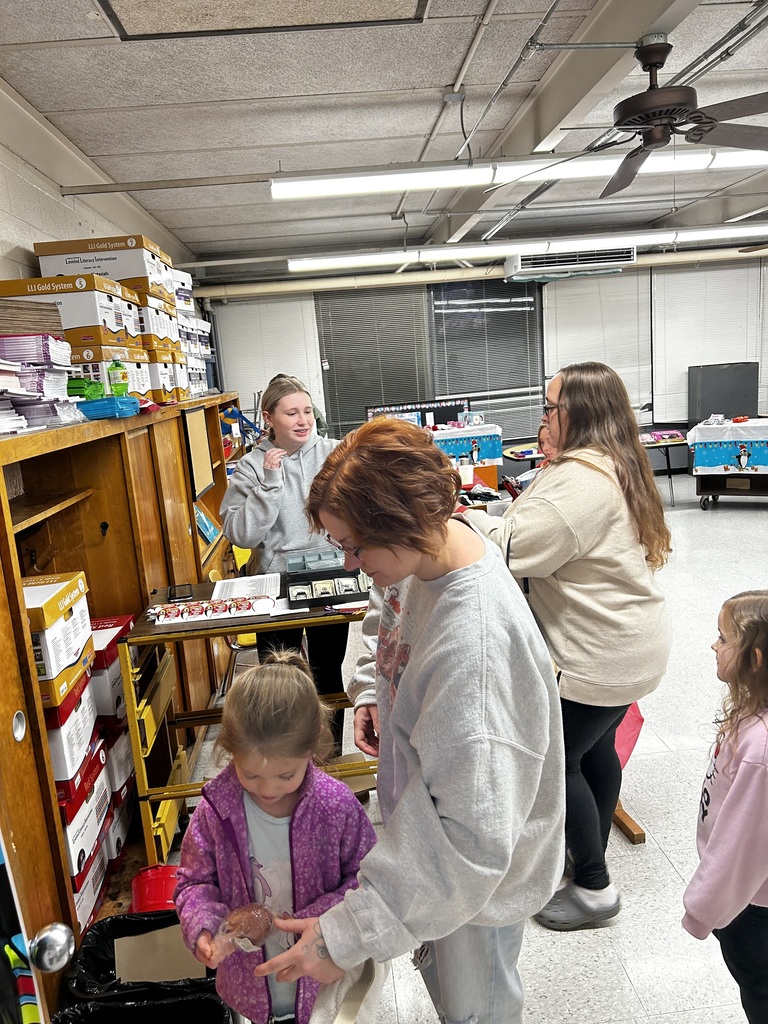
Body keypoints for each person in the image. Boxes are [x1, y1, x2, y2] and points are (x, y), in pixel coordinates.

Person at [252, 417, 565, 1024]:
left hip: (474, 888)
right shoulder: (432, 549)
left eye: (355, 548)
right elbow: (386, 614)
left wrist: (346, 936)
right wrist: (373, 688)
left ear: (401, 525)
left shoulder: (472, 649)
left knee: (479, 1011)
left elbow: (467, 839)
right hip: (438, 854)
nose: (349, 564)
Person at [462, 361, 671, 930]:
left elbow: (513, 548)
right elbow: (538, 524)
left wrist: (464, 521)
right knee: (594, 751)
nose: (542, 417)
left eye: (550, 407)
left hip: (598, 656)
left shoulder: (582, 480)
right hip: (628, 647)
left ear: (580, 413)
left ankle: (596, 890)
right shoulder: (604, 465)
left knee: (556, 763)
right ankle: (585, 857)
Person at [174, 650, 377, 1024]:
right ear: (229, 751)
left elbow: (370, 881)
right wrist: (204, 926)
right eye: (250, 774)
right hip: (248, 988)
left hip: (325, 985)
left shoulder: (336, 808)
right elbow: (194, 882)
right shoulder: (216, 811)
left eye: (285, 776)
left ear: (311, 751)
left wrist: (316, 920)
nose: (267, 789)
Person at [220, 374, 347, 749]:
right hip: (275, 585)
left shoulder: (334, 453)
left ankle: (330, 761)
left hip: (330, 575)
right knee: (280, 677)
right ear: (269, 417)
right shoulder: (251, 466)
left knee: (328, 674)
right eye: (292, 412)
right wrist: (270, 484)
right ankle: (285, 762)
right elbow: (240, 534)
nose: (303, 420)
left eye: (308, 411)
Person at [682, 590, 768, 1024]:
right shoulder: (754, 714)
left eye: (722, 638)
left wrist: (704, 909)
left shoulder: (761, 751)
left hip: (749, 906)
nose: (713, 646)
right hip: (743, 899)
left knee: (759, 991)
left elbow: (742, 848)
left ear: (754, 657)